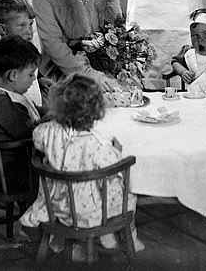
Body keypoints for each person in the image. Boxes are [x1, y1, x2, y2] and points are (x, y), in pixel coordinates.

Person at [19, 73, 143, 256]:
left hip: (58, 206)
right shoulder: (96, 144)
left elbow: (37, 138)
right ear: (96, 111)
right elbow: (114, 165)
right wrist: (117, 150)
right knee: (127, 189)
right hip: (91, 211)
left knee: (90, 184)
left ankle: (61, 240)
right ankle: (122, 236)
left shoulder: (48, 132)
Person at [0, 34, 43, 194]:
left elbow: (33, 111)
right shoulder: (1, 101)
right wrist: (49, 121)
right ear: (12, 75)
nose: (33, 79)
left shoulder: (13, 93)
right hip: (14, 173)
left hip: (24, 163)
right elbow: (24, 131)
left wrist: (55, 111)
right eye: (31, 74)